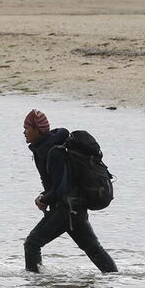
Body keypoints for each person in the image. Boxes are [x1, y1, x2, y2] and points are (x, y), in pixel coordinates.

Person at [22, 109, 118, 274]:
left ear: (37, 130)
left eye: (27, 127)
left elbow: (63, 188)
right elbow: (59, 186)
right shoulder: (44, 150)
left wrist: (44, 199)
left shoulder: (54, 153)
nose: (24, 132)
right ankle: (114, 281)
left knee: (32, 244)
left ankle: (34, 286)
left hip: (68, 209)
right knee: (94, 250)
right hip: (73, 209)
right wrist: (46, 197)